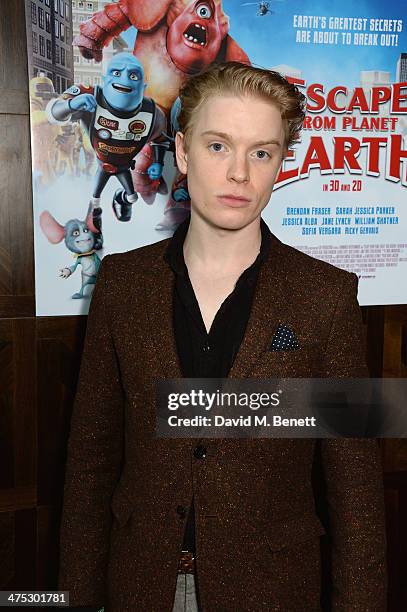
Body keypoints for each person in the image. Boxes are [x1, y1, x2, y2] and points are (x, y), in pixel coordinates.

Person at [58, 62, 387, 611]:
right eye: (218, 146)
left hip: (273, 592)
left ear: (281, 164)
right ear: (182, 154)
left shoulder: (327, 297)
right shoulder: (121, 284)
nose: (239, 173)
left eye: (261, 152)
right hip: (140, 584)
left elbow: (356, 491)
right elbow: (90, 461)